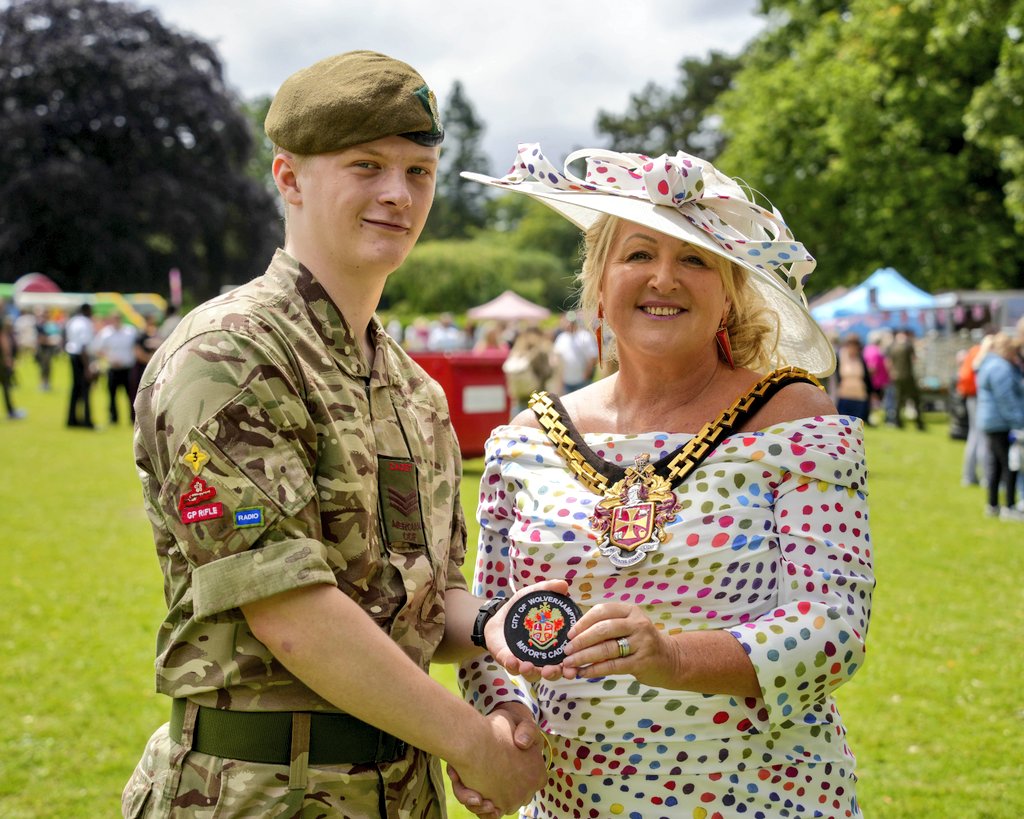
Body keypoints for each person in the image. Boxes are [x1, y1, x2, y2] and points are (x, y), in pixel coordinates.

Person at [122, 51, 547, 819]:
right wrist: (472, 742)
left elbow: (429, 598)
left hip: (401, 794)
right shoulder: (229, 355)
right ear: (288, 178)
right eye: (367, 165)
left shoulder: (415, 391)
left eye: (420, 171)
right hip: (255, 795)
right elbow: (293, 616)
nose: (398, 193)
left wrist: (499, 630)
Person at [456, 144, 875, 818]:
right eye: (638, 255)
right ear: (598, 283)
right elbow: (487, 624)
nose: (664, 278)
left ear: (730, 288)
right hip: (574, 801)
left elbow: (834, 626)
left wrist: (674, 656)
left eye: (694, 258)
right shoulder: (524, 441)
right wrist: (503, 717)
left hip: (764, 798)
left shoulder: (793, 416)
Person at [975, 332, 1024, 521]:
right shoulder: (1000, 368)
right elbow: (1006, 399)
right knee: (1010, 465)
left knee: (995, 464)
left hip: (992, 421)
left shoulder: (990, 364)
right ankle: (1009, 507)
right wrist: (1018, 422)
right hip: (1001, 422)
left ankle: (993, 504)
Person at [93, 312, 139, 424]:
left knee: (131, 395)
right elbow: (98, 350)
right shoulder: (105, 333)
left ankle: (133, 418)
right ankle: (113, 417)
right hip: (113, 368)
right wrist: (110, 359)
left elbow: (136, 347)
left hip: (127, 367)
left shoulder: (130, 331)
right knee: (112, 395)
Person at [502, 324, 554, 417]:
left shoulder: (517, 351)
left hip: (519, 398)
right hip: (537, 397)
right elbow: (547, 373)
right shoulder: (540, 352)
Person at [886, 327, 926, 429]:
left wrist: (892, 373)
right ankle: (919, 423)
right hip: (908, 376)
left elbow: (888, 363)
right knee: (915, 399)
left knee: (898, 400)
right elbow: (914, 359)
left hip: (896, 376)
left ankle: (897, 422)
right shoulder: (908, 345)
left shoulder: (892, 346)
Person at [64, 303, 96, 428]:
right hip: (81, 357)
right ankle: (87, 420)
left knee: (75, 389)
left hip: (72, 355)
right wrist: (87, 367)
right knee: (85, 389)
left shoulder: (72, 321)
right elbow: (84, 346)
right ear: (87, 311)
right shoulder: (85, 323)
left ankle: (72, 419)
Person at [551, 311, 598, 395]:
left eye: (571, 322)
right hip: (566, 382)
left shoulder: (585, 336)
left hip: (582, 381)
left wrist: (586, 375)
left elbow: (593, 358)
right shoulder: (561, 337)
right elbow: (556, 356)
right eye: (567, 322)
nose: (569, 325)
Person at [833, 332, 873, 423]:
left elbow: (866, 378)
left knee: (856, 425)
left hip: (859, 396)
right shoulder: (840, 357)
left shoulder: (861, 359)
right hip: (844, 395)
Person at [1, 311, 26, 420]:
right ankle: (11, 412)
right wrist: (8, 359)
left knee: (6, 387)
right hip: (2, 364)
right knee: (6, 387)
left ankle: (11, 411)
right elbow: (4, 344)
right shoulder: (3, 333)